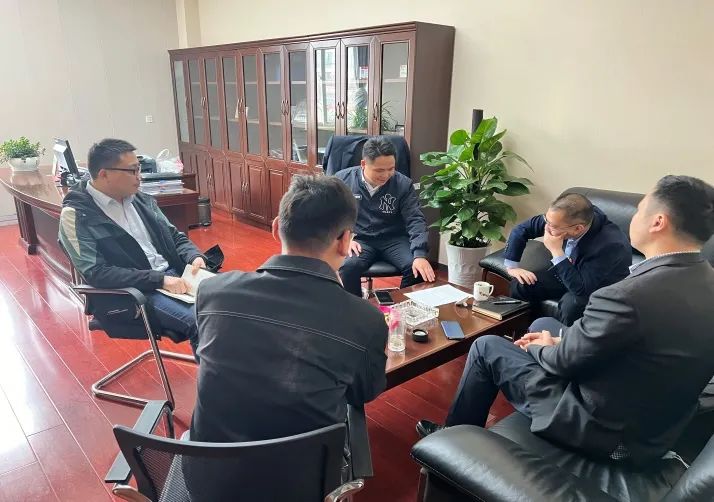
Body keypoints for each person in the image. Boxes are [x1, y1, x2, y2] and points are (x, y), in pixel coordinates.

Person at [417, 175, 714, 466]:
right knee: (542, 327)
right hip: (652, 428)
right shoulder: (706, 281)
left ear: (658, 222)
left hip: (604, 432)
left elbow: (564, 361)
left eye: (639, 210)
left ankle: (451, 440)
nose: (634, 217)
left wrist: (542, 348)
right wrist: (558, 341)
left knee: (486, 348)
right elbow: (630, 346)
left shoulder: (625, 295)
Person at [190, 175, 388, 444]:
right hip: (307, 469)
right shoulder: (365, 319)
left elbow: (204, 357)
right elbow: (362, 393)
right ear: (345, 241)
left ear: (275, 228)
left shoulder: (212, 292)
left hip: (206, 464)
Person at [59, 138, 205, 358]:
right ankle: (217, 380)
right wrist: (160, 280)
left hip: (175, 276)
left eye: (139, 169)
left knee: (235, 304)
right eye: (132, 170)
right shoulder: (77, 215)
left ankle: (237, 373)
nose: (140, 176)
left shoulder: (141, 200)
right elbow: (97, 273)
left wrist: (194, 256)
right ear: (104, 174)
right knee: (203, 322)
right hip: (136, 292)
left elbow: (174, 237)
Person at [503, 192, 631, 325]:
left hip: (594, 286)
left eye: (552, 226)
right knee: (521, 284)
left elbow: (581, 291)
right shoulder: (558, 220)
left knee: (570, 306)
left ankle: (561, 338)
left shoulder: (610, 245)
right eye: (547, 221)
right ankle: (526, 331)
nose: (546, 227)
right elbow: (521, 230)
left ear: (578, 229)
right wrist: (512, 267)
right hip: (568, 270)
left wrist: (556, 251)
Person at [336, 136, 435, 297]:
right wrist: (343, 238)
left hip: (393, 239)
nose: (386, 175)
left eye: (391, 169)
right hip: (359, 239)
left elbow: (415, 219)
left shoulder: (403, 184)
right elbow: (331, 215)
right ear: (363, 164)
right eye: (380, 170)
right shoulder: (342, 180)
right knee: (348, 267)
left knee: (415, 267)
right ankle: (355, 308)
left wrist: (420, 254)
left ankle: (400, 307)